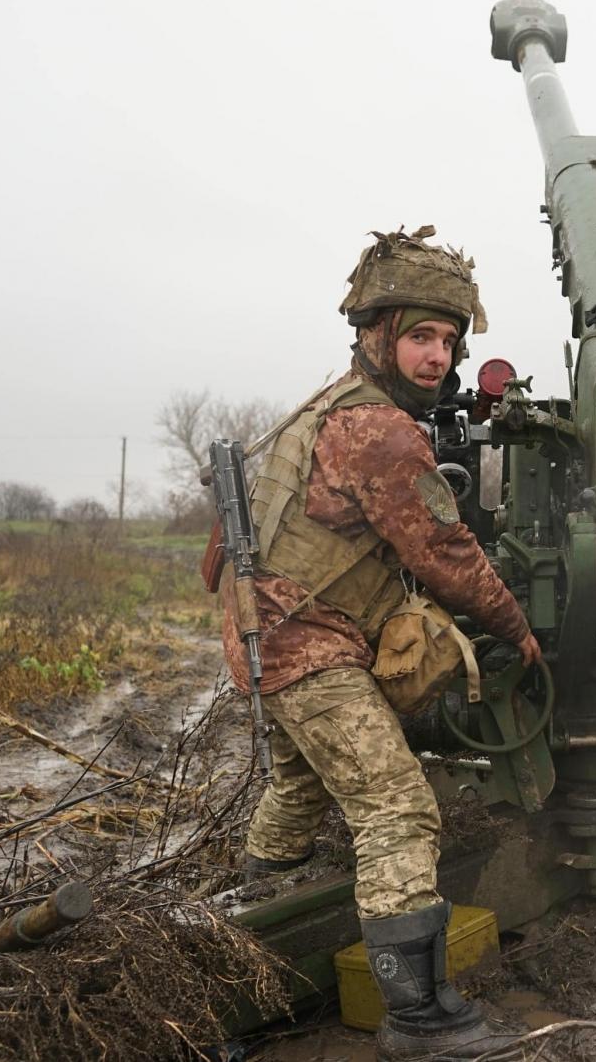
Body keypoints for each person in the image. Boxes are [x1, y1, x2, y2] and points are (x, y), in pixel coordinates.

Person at [221, 225, 538, 1060]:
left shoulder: (324, 406)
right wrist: (516, 628)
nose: (437, 357)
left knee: (298, 784)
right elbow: (446, 554)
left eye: (448, 340)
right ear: (375, 335)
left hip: (264, 632)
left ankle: (250, 918)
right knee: (395, 805)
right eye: (420, 337)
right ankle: (418, 1018)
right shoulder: (383, 433)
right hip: (304, 642)